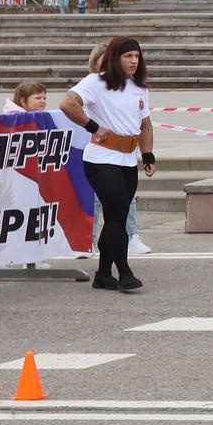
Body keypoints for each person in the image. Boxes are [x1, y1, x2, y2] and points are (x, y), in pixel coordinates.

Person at [62, 37, 156, 294]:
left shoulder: (139, 87)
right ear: (116, 58)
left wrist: (148, 155)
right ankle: (124, 272)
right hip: (101, 157)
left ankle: (103, 274)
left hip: (128, 158)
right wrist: (92, 126)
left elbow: (145, 125)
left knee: (118, 217)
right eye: (128, 56)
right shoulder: (97, 82)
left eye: (137, 56)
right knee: (116, 212)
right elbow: (68, 103)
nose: (134, 61)